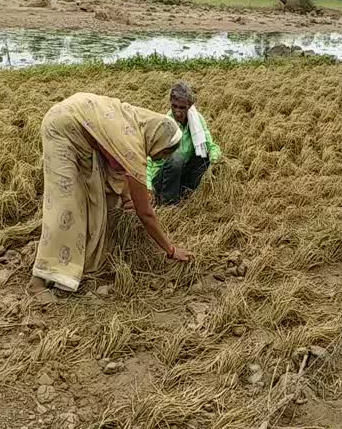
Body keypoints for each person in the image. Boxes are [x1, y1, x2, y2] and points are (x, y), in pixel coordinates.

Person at [28, 92, 193, 301]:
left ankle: (73, 264)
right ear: (157, 142)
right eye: (162, 154)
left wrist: (125, 198)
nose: (158, 158)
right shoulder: (132, 143)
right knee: (66, 206)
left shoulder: (139, 123)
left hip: (82, 136)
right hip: (61, 129)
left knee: (96, 196)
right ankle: (38, 280)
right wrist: (170, 249)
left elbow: (119, 168)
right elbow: (145, 213)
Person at [146, 82, 222, 205]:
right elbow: (148, 161)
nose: (177, 112)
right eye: (174, 106)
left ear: (190, 106)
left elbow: (210, 145)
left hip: (182, 173)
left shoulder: (197, 120)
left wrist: (214, 160)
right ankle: (168, 203)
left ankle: (187, 194)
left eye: (182, 108)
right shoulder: (164, 125)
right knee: (176, 158)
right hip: (163, 177)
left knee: (204, 155)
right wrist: (148, 188)